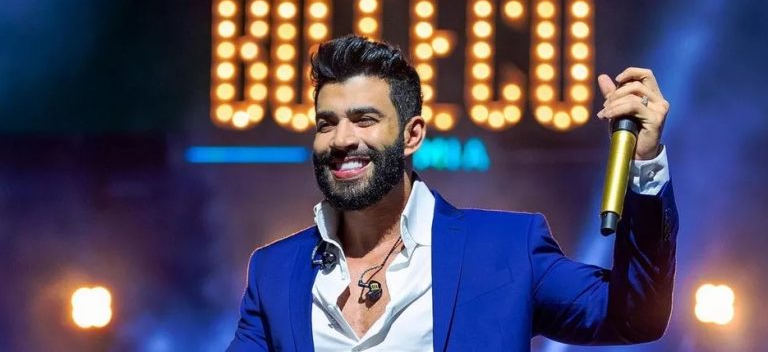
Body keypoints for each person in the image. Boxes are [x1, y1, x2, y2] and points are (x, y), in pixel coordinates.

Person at [227, 34, 677, 352]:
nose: (342, 139)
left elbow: (636, 316)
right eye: (327, 123)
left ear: (412, 135)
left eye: (364, 120)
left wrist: (645, 161)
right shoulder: (274, 271)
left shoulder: (507, 251)